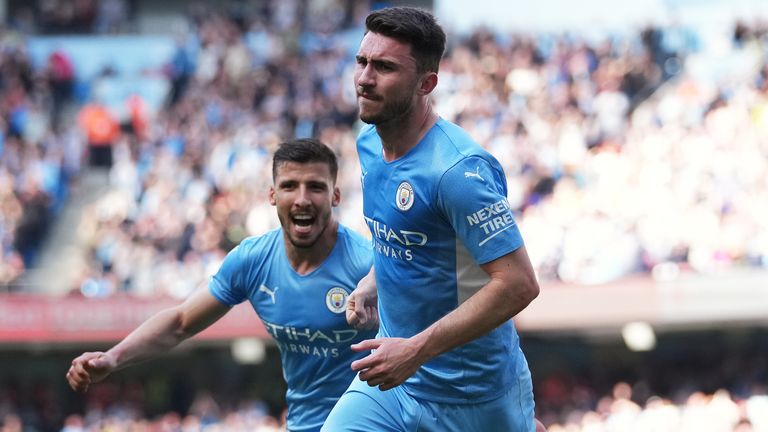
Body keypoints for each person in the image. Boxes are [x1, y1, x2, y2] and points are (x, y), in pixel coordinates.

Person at [323, 6, 542, 432]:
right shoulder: (369, 141)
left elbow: (518, 283)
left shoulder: (458, 172)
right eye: (362, 62)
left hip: (472, 396)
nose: (365, 78)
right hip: (393, 385)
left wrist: (414, 351)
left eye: (384, 67)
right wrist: (373, 281)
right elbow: (413, 241)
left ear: (426, 83)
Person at [66, 138, 379, 432]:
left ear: (335, 196)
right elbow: (180, 321)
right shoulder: (251, 261)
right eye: (289, 187)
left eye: (315, 187)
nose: (301, 199)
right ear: (272, 195)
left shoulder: (368, 266)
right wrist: (113, 357)